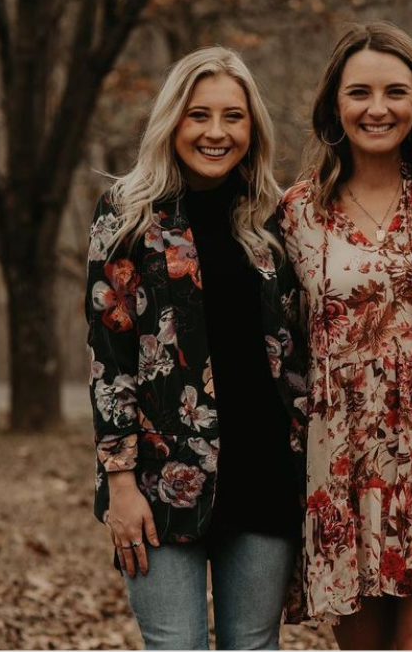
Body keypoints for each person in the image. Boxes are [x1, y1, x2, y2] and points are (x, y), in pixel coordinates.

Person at [277, 21, 412, 649]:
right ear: (334, 105)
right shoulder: (297, 213)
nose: (378, 109)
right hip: (341, 468)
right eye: (359, 93)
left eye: (395, 92)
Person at [85, 47, 308, 650]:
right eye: (198, 115)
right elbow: (110, 359)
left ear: (252, 127)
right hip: (161, 483)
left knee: (253, 645)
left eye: (233, 117)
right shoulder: (127, 216)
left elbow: (298, 356)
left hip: (263, 476)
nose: (216, 132)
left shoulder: (274, 219)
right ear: (172, 122)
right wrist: (120, 482)